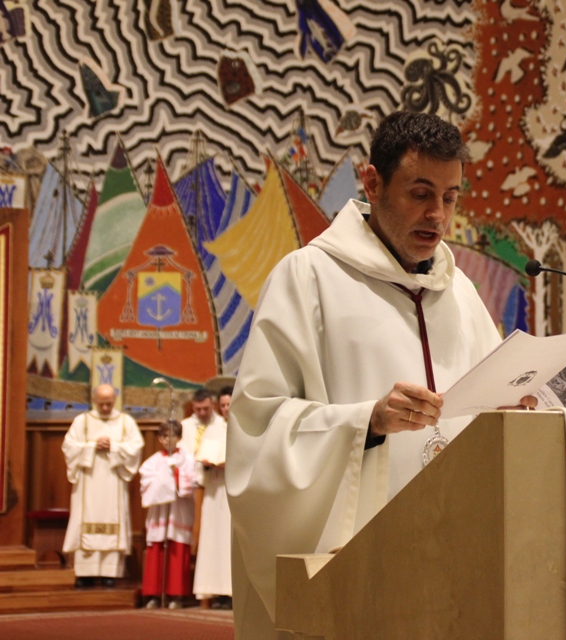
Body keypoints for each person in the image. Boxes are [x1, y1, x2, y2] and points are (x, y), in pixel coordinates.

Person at [227, 110, 535, 638]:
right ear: (372, 183)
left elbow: (487, 405)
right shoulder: (308, 278)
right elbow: (257, 430)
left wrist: (514, 412)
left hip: (454, 556)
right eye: (420, 193)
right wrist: (366, 422)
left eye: (450, 198)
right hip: (358, 567)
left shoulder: (460, 293)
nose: (437, 215)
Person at [62, 384, 144, 588]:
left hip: (113, 481)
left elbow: (135, 448)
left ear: (115, 400)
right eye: (101, 404)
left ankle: (110, 572)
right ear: (94, 401)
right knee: (85, 518)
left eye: (109, 403)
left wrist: (113, 447)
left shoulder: (126, 422)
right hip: (88, 481)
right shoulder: (82, 421)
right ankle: (85, 573)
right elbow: (69, 447)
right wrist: (92, 446)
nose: (105, 408)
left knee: (112, 518)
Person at [139, 419, 195, 609]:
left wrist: (177, 474)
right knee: (157, 551)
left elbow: (192, 480)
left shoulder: (187, 459)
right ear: (159, 438)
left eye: (171, 436)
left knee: (176, 550)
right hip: (159, 513)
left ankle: (176, 596)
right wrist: (163, 477)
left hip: (178, 511)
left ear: (179, 437)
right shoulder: (152, 461)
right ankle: (154, 595)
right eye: (163, 436)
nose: (167, 440)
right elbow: (146, 481)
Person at [193, 386, 233, 609]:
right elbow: (200, 459)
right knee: (213, 542)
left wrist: (231, 464)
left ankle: (232, 593)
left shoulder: (246, 426)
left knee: (230, 542)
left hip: (232, 492)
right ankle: (215, 592)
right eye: (223, 405)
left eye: (229, 404)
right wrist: (207, 463)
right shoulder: (212, 429)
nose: (226, 409)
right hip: (214, 490)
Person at [180, 388, 222, 458]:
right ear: (193, 407)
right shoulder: (183, 425)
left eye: (206, 408)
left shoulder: (223, 425)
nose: (202, 413)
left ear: (212, 405)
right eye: (198, 409)